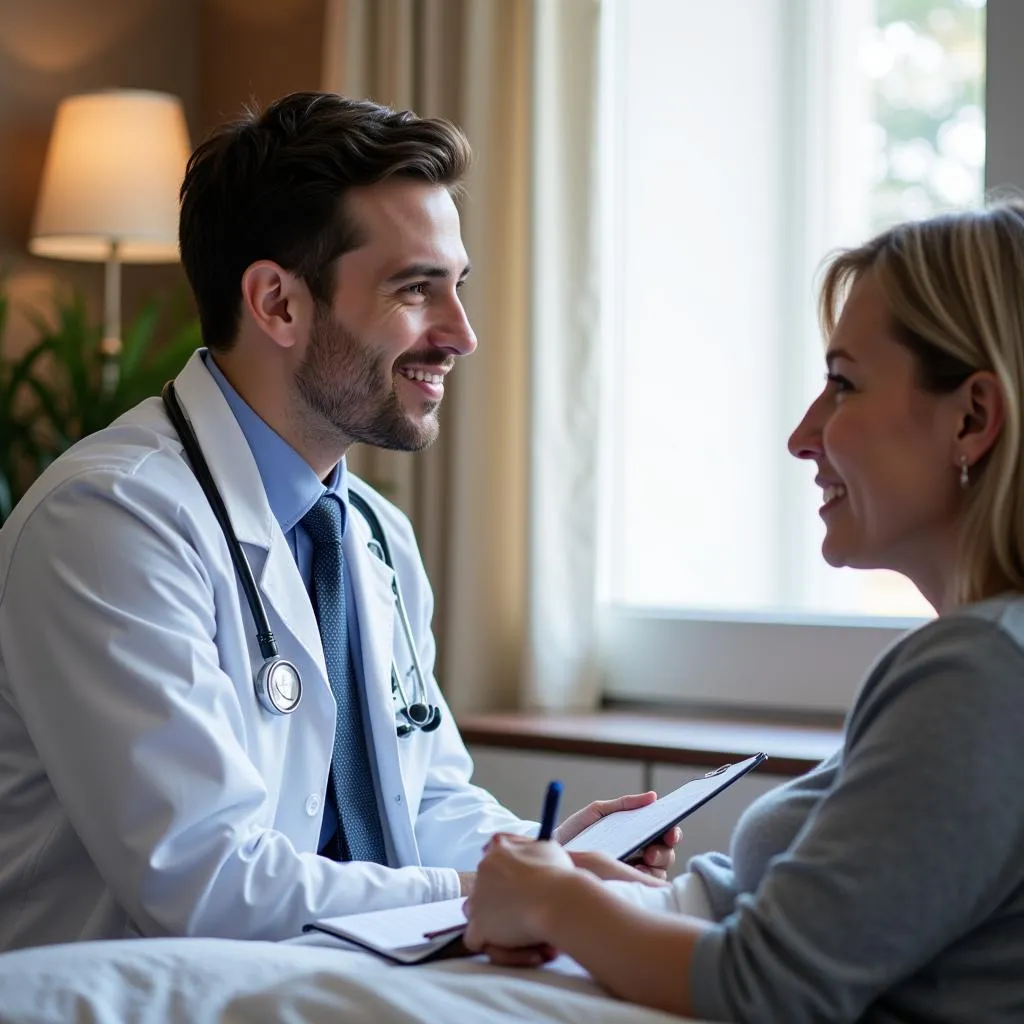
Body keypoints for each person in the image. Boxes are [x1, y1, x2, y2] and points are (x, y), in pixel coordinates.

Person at [0, 91, 677, 952]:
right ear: (277, 303)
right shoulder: (108, 521)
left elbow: (422, 797)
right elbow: (205, 881)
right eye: (415, 290)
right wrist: (494, 895)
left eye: (458, 288)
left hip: (337, 983)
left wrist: (546, 863)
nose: (462, 334)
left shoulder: (372, 532)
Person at [463, 198, 1024, 1023]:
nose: (804, 435)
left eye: (843, 383)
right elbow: (814, 921)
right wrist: (591, 883)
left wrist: (557, 906)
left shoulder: (981, 679)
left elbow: (767, 987)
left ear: (972, 417)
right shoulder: (979, 665)